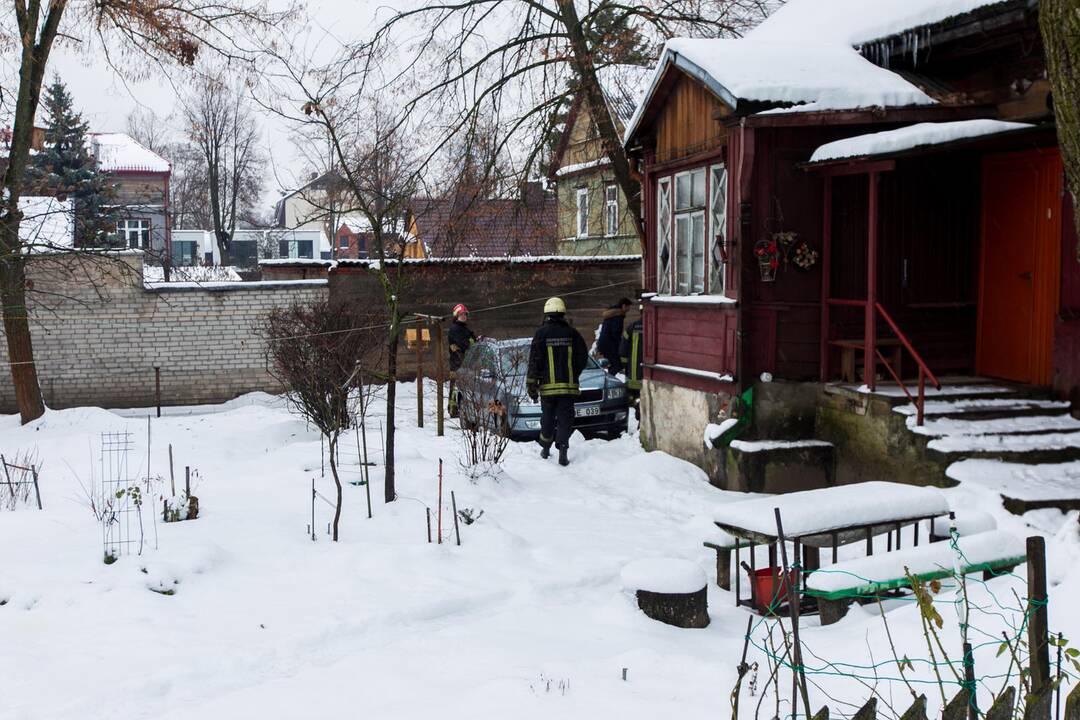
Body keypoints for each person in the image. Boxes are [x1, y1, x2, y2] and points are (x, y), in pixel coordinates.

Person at [527, 297, 588, 466]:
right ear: (562, 313)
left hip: (547, 388)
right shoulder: (572, 333)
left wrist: (532, 385)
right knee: (565, 419)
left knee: (547, 418)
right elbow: (583, 357)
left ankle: (545, 448)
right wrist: (573, 373)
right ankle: (563, 451)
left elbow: (534, 361)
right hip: (568, 388)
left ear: (546, 313)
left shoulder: (541, 334)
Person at [447, 303, 477, 418]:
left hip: (463, 363)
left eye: (465, 314)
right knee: (456, 387)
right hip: (457, 363)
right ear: (456, 316)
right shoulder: (455, 329)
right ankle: (453, 410)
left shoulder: (464, 329)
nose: (464, 316)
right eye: (461, 314)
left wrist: (475, 339)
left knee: (460, 387)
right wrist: (472, 342)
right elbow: (464, 344)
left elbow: (471, 341)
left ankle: (456, 408)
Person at [596, 297, 632, 374]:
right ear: (624, 306)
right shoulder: (618, 316)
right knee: (617, 365)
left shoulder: (612, 314)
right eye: (628, 307)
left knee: (613, 364)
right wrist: (620, 345)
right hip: (609, 345)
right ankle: (610, 379)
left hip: (605, 344)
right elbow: (616, 333)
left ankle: (610, 376)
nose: (629, 310)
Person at [619, 309, 644, 420]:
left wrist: (625, 367)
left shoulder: (631, 328)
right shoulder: (655, 325)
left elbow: (623, 351)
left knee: (635, 396)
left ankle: (637, 408)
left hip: (633, 373)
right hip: (648, 374)